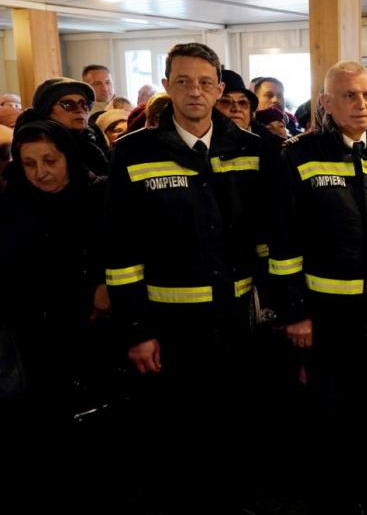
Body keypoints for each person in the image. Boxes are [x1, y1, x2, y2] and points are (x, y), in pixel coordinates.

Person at [104, 42, 269, 511]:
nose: (194, 91)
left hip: (236, 316)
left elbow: (267, 234)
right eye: (182, 81)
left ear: (218, 89)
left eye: (204, 82)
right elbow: (121, 251)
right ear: (166, 87)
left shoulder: (252, 149)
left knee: (235, 420)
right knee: (177, 428)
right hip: (169, 323)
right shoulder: (133, 152)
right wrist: (137, 331)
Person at [269, 60, 367, 513]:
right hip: (326, 310)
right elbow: (284, 240)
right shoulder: (299, 155)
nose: (361, 104)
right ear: (326, 103)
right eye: (349, 95)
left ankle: (361, 488)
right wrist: (295, 312)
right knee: (329, 405)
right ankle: (333, 496)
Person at [0, 111, 112, 509]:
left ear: (68, 155)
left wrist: (101, 283)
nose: (40, 173)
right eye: (29, 163)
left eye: (50, 160)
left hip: (96, 322)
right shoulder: (13, 202)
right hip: (37, 328)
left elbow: (116, 250)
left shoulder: (97, 194)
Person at [31, 77, 110, 178]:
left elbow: (115, 173)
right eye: (68, 104)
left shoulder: (93, 136)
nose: (79, 110)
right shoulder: (37, 142)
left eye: (84, 104)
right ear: (46, 110)